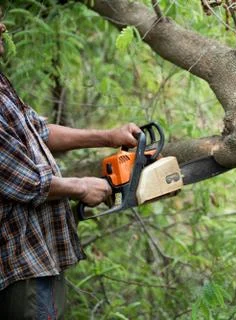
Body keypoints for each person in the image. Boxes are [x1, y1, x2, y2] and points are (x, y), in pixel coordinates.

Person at [0, 21, 141, 319]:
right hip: (20, 261)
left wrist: (108, 136)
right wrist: (82, 187)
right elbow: (27, 183)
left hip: (36, 257)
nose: (2, 27)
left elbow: (41, 132)